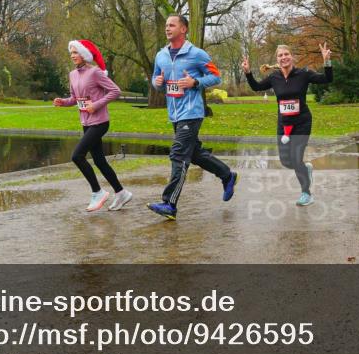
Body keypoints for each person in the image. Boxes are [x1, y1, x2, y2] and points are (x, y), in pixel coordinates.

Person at [147, 15, 238, 220]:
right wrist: (157, 82)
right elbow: (155, 79)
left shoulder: (197, 54)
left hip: (192, 113)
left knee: (178, 154)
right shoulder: (161, 55)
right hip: (174, 113)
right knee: (194, 154)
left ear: (183, 29)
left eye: (172, 25)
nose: (167, 28)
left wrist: (195, 82)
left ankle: (169, 204)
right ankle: (227, 175)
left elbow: (216, 77)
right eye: (166, 25)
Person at [242, 43, 333, 206]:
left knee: (296, 159)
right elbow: (256, 86)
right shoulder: (274, 77)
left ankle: (306, 193)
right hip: (283, 124)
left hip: (302, 122)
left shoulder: (303, 74)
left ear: (292, 56)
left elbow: (327, 79)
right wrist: (248, 72)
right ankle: (306, 169)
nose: (283, 57)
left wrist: (327, 61)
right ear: (277, 59)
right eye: (280, 55)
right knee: (285, 161)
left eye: (286, 54)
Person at [53, 39, 132, 212]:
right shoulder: (72, 75)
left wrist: (96, 105)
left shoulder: (95, 72)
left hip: (100, 122)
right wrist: (63, 102)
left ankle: (97, 192)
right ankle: (121, 193)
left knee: (77, 156)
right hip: (86, 123)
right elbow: (75, 99)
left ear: (84, 54)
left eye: (76, 52)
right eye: (71, 53)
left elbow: (115, 91)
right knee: (99, 161)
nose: (73, 56)